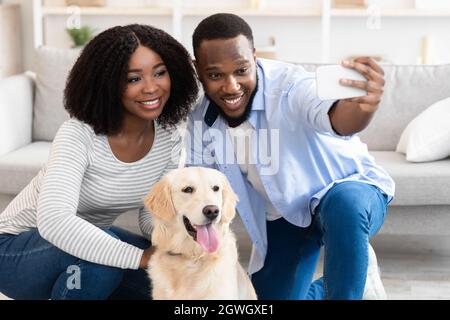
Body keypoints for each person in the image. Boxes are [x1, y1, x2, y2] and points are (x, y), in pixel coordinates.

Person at [184, 13, 395, 300]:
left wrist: (363, 108)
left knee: (344, 203)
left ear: (254, 57)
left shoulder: (290, 86)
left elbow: (338, 120)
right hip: (287, 214)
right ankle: (360, 278)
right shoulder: (201, 121)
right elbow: (202, 197)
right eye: (215, 75)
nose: (231, 86)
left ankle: (348, 291)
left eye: (241, 70)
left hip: (348, 193)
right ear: (198, 70)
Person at [0, 24, 198, 300]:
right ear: (108, 84)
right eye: (133, 79)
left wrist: (176, 241)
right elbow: (55, 222)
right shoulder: (78, 134)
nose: (152, 87)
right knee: (105, 259)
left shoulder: (169, 139)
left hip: (90, 239)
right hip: (15, 251)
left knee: (172, 277)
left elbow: (150, 212)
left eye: (160, 73)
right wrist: (140, 257)